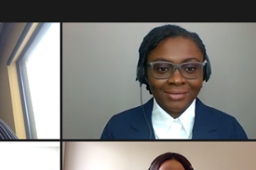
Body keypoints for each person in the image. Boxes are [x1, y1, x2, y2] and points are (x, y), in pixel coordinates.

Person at [101, 24, 247, 140]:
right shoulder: (118, 128)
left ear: (204, 73)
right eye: (163, 69)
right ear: (144, 74)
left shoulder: (229, 128)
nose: (177, 80)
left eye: (190, 68)